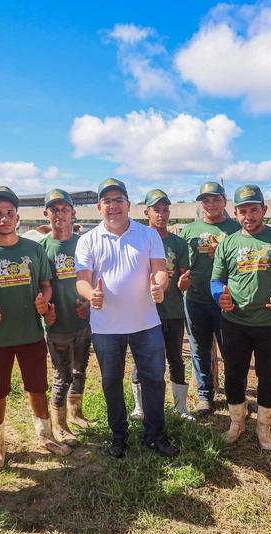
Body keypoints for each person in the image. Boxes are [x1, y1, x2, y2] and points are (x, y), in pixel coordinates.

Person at [0, 186, 70, 470]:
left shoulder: (33, 250)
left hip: (31, 334)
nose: (4, 218)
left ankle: (45, 436)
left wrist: (43, 303)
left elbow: (46, 287)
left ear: (18, 217)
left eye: (9, 213)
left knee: (37, 386)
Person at [75, 178, 176, 459]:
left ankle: (154, 435)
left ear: (128, 205)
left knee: (154, 379)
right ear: (99, 207)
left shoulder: (149, 236)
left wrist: (160, 284)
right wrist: (89, 295)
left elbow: (160, 270)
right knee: (111, 381)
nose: (113, 206)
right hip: (106, 327)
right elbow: (82, 280)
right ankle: (118, 436)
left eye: (118, 200)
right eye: (107, 201)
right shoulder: (88, 240)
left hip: (146, 323)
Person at [211, 184, 271, 450]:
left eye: (254, 209)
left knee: (268, 376)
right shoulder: (228, 243)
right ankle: (236, 424)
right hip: (235, 322)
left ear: (264, 210)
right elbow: (217, 279)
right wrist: (219, 297)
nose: (248, 215)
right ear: (235, 212)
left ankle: (264, 428)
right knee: (234, 374)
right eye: (243, 211)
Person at [130, 189, 195, 422]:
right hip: (143, 311)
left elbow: (183, 276)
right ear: (146, 212)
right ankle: (140, 407)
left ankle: (181, 407)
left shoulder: (177, 243)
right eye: (156, 210)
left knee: (176, 357)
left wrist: (183, 282)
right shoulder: (137, 239)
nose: (161, 214)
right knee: (142, 358)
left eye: (165, 210)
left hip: (172, 310)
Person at [180, 182, 241, 415]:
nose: (210, 204)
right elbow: (184, 266)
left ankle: (235, 393)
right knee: (199, 348)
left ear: (225, 202)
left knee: (231, 349)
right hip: (195, 298)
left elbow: (245, 266)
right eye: (205, 200)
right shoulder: (189, 231)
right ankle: (205, 394)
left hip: (226, 300)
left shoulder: (236, 229)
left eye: (215, 199)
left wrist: (222, 257)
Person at [41, 188, 92, 441]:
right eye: (54, 209)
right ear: (46, 213)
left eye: (64, 209)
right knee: (62, 376)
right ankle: (59, 425)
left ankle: (76, 413)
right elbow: (38, 288)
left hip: (84, 321)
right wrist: (45, 313)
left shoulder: (84, 243)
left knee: (80, 370)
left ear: (73, 212)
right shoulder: (41, 248)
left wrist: (89, 305)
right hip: (58, 325)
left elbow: (97, 278)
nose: (59, 214)